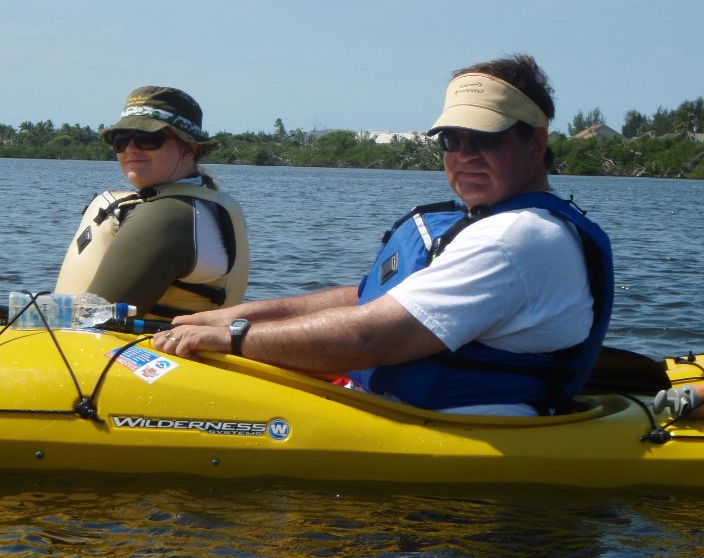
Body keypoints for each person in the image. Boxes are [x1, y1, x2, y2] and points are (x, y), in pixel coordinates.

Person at [152, 55, 614, 416]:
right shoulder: (491, 222)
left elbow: (372, 338)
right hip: (403, 412)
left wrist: (231, 338)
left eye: (486, 139)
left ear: (535, 144)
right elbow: (366, 299)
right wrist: (228, 317)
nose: (465, 155)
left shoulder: (516, 238)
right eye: (452, 139)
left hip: (456, 442)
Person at [55, 86, 249, 319]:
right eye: (121, 140)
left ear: (189, 149)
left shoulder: (169, 215)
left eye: (149, 139)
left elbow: (92, 321)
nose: (131, 150)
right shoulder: (200, 203)